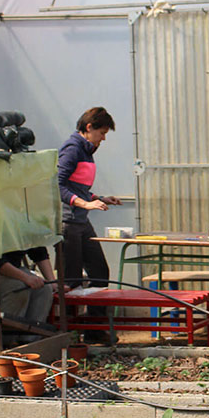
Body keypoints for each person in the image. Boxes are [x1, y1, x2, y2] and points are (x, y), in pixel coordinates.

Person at [58, 106, 122, 341]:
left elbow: (78, 187)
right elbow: (58, 185)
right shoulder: (73, 149)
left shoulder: (87, 151)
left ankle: (94, 329)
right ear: (89, 127)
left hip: (81, 221)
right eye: (102, 133)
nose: (103, 138)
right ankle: (68, 335)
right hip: (68, 222)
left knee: (100, 271)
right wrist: (84, 204)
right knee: (71, 281)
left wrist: (99, 198)